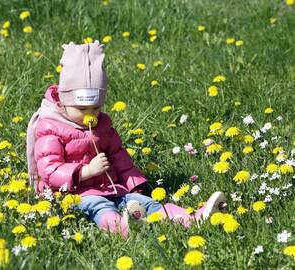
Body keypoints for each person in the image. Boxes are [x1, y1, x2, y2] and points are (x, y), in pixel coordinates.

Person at [26, 41, 227, 239]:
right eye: (82, 109)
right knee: (99, 207)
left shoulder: (102, 125)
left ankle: (191, 219)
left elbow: (118, 156)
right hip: (76, 195)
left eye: (96, 108)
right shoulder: (50, 127)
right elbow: (49, 169)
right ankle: (122, 228)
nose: (91, 114)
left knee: (146, 202)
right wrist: (85, 172)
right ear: (63, 102)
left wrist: (135, 185)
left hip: (112, 188)